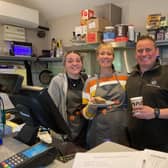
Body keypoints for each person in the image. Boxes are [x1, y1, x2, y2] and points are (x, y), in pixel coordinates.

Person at [82, 43, 129, 149]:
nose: (105, 56)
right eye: (102, 53)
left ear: (113, 57)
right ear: (97, 57)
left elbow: (130, 105)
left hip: (121, 130)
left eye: (109, 54)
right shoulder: (90, 82)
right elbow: (85, 114)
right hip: (98, 132)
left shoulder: (124, 78)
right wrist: (91, 106)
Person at [126, 35, 168, 152]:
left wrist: (155, 112)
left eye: (148, 50)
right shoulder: (131, 78)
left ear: (157, 52)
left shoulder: (166, 74)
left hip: (162, 147)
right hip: (134, 145)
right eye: (140, 51)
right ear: (135, 54)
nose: (144, 54)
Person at [48, 51, 88, 148]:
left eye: (78, 61)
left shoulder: (87, 80)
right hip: (66, 133)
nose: (74, 63)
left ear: (82, 64)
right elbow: (50, 109)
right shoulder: (58, 81)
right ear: (64, 65)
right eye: (70, 61)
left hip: (85, 131)